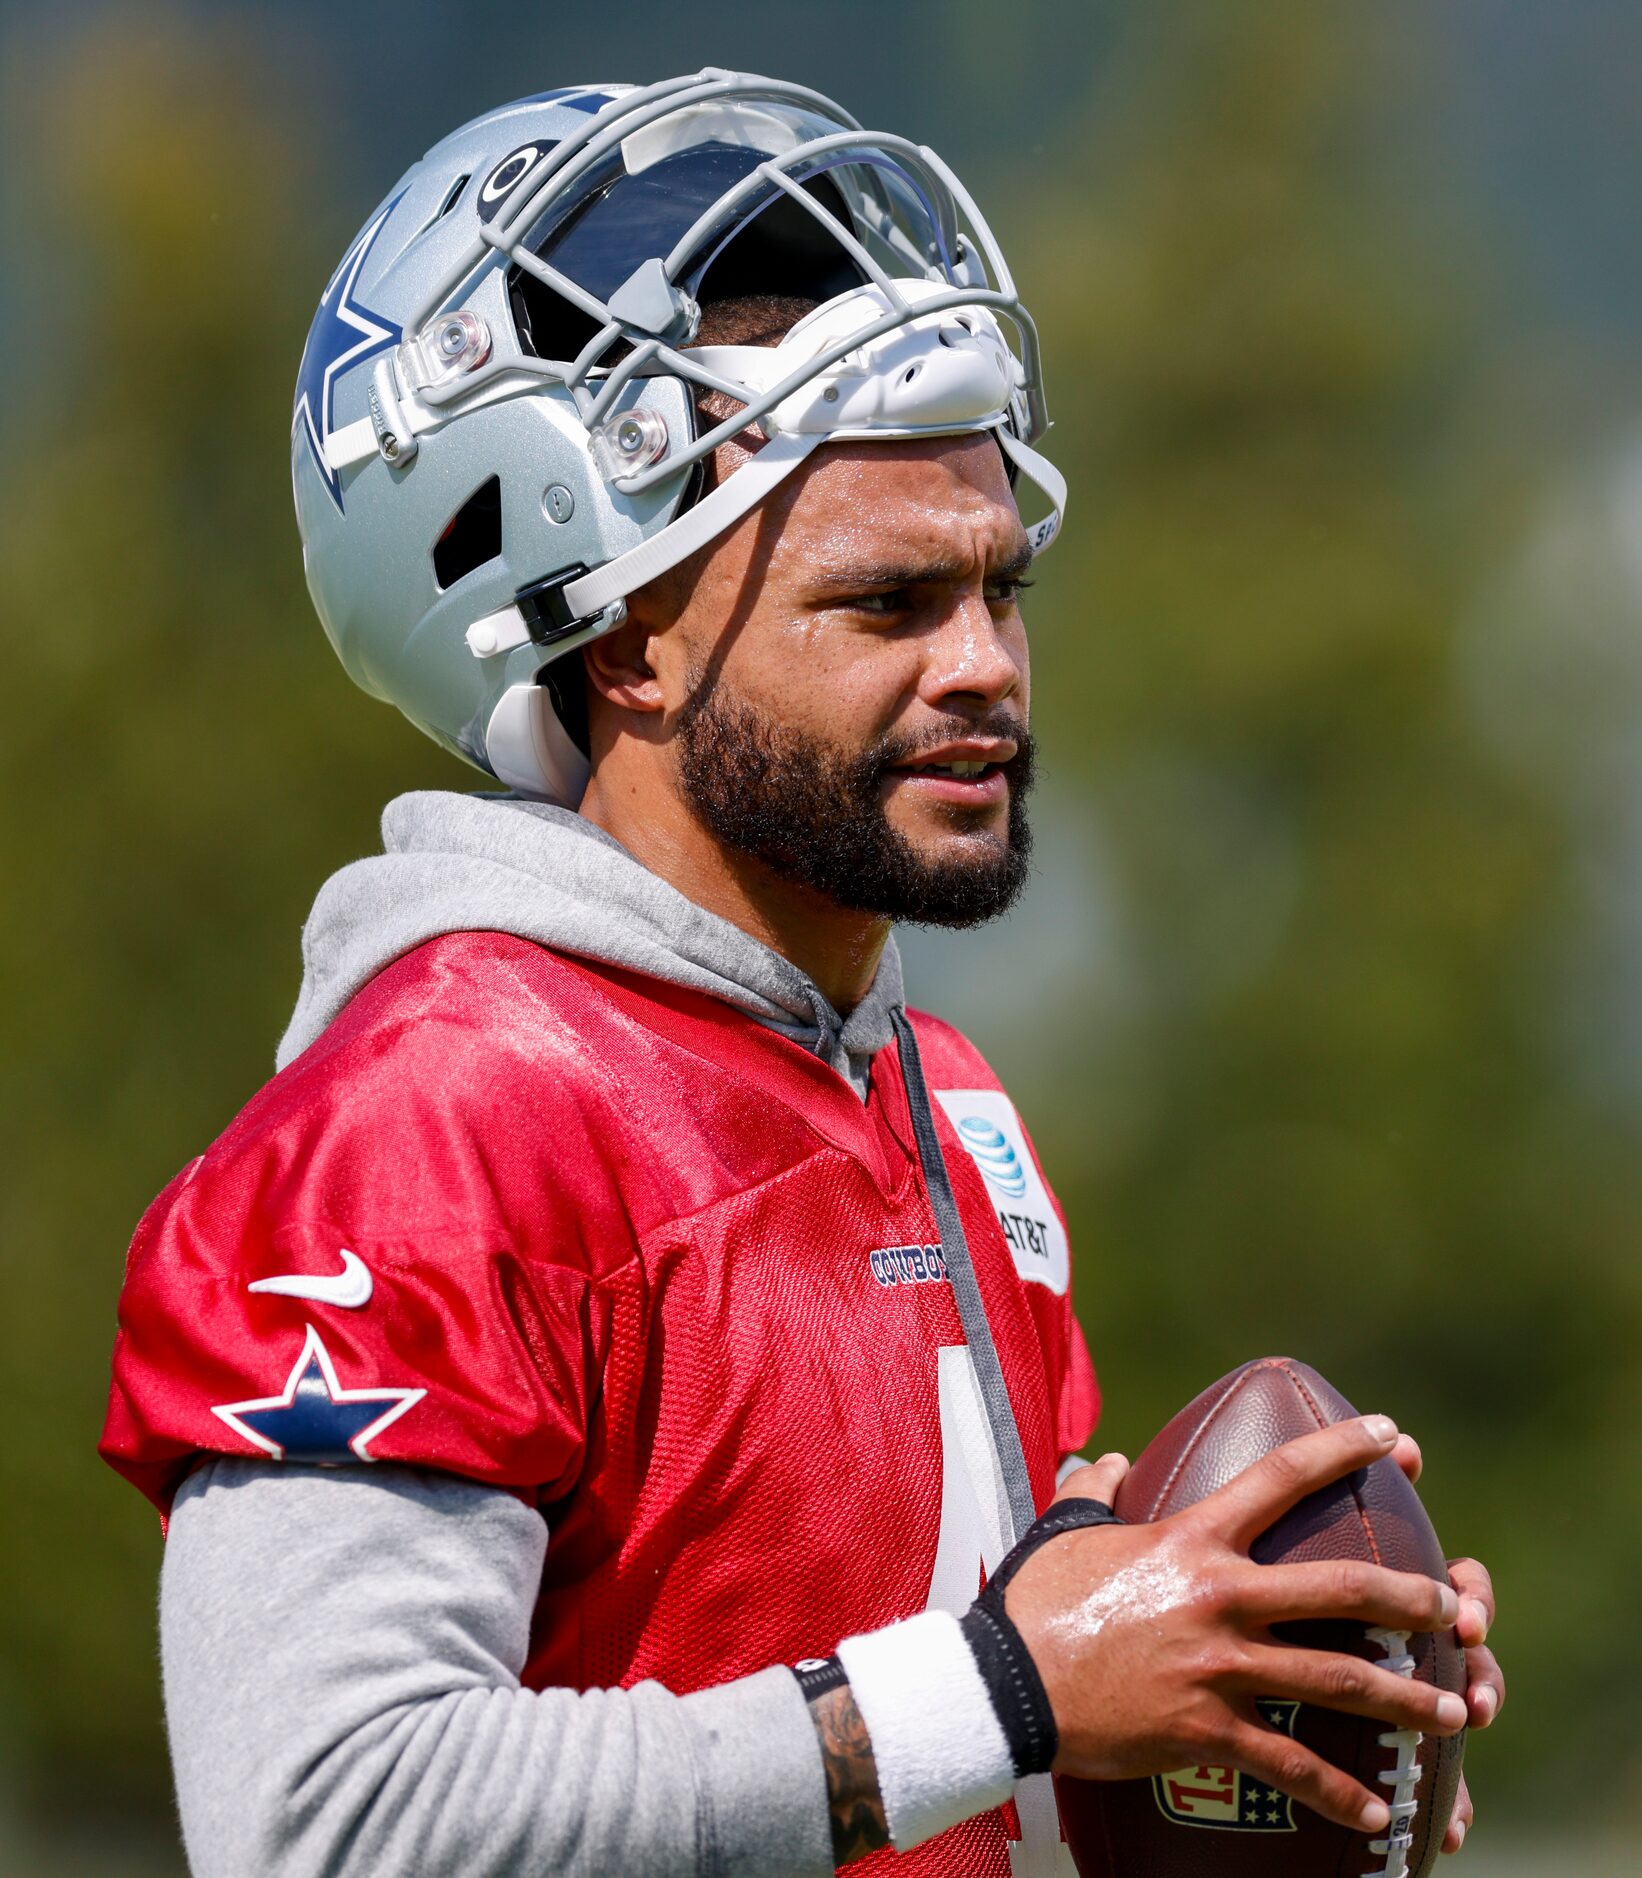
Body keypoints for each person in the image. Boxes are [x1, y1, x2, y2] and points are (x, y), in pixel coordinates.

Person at [100, 72, 1502, 1877]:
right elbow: (322, 1820)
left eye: (1000, 588)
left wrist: (1283, 1729)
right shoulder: (422, 1125)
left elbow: (981, 1760)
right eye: (887, 605)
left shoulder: (943, 1099)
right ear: (624, 646)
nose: (988, 664)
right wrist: (1009, 1681)